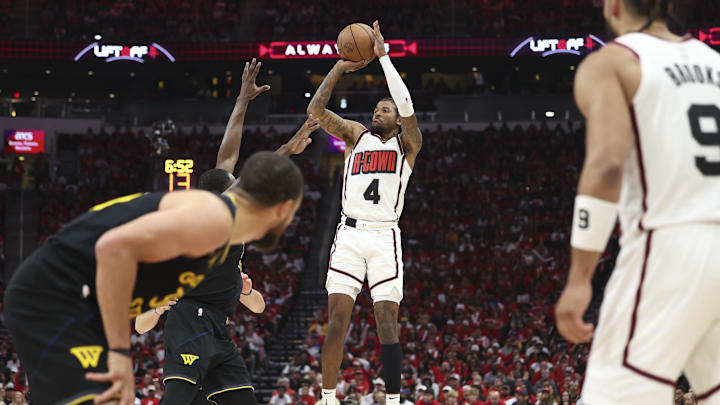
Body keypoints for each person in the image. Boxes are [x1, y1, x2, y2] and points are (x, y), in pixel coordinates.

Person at [4, 150, 304, 405]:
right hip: (52, 294)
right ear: (284, 209)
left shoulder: (221, 236)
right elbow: (113, 248)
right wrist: (120, 353)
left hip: (68, 299)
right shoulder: (210, 219)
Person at [554, 0, 720, 404]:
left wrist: (579, 279)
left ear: (613, 6)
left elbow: (607, 164)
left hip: (671, 246)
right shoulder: (714, 60)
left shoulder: (613, 62)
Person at [133, 58, 318, 405]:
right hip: (190, 321)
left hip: (219, 325)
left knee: (242, 399)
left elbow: (228, 156)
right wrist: (287, 151)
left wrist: (242, 101)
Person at [308, 21, 423, 405]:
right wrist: (339, 68)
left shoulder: (408, 145)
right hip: (349, 235)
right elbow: (316, 109)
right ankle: (327, 398)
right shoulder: (356, 135)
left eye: (385, 108)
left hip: (384, 235)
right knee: (336, 322)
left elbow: (406, 105)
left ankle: (392, 399)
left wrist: (384, 58)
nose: (379, 111)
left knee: (386, 322)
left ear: (396, 118)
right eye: (377, 107)